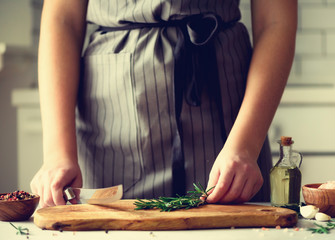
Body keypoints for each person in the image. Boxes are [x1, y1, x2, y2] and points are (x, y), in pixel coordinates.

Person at [31, 0, 297, 208]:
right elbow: (62, 18)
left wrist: (245, 146)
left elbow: (275, 20)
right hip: (112, 117)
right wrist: (57, 153)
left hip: (229, 112)